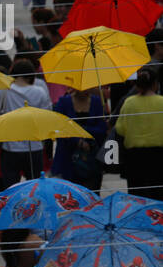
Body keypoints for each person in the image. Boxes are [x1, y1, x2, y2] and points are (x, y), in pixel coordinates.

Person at [0, 56, 51, 187]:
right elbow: (47, 118)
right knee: (35, 188)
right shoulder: (40, 92)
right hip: (35, 147)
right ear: (30, 77)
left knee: (10, 189)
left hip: (10, 148)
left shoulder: (2, 91)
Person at [112, 67, 163, 201]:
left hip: (134, 157)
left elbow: (120, 129)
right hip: (158, 156)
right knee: (158, 193)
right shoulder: (161, 102)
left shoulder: (129, 102)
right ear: (155, 84)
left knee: (137, 195)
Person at [51, 87, 107, 190]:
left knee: (92, 194)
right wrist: (77, 141)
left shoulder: (97, 102)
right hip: (67, 158)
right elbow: (59, 128)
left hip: (91, 159)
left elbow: (102, 129)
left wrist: (81, 130)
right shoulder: (64, 102)